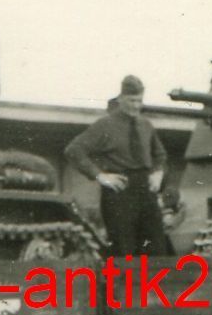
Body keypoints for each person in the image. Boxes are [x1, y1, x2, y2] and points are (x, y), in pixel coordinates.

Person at [65, 75, 168, 257]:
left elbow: (160, 155)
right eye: (131, 100)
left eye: (139, 101)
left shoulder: (146, 125)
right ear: (120, 98)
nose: (136, 106)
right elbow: (74, 150)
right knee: (123, 250)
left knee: (156, 248)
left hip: (145, 190)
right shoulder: (105, 125)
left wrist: (157, 173)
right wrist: (100, 176)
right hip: (120, 191)